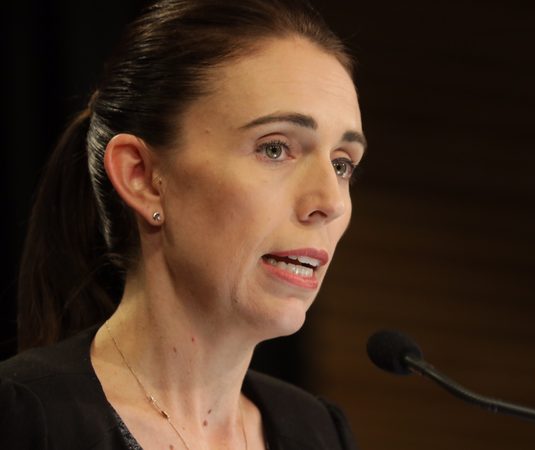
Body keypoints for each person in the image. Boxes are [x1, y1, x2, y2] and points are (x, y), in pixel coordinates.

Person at [0, 0, 366, 448]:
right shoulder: (27, 419)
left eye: (343, 164)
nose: (329, 202)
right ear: (142, 178)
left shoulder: (318, 433)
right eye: (275, 149)